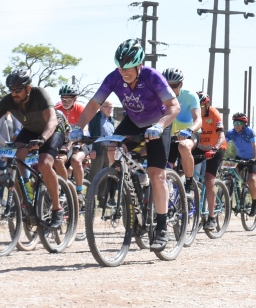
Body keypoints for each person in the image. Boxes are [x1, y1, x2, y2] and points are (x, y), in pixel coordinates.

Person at [69, 39, 180, 250]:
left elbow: (174, 107)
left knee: (157, 174)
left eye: (128, 68)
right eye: (120, 68)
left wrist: (159, 125)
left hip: (159, 122)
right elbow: (94, 104)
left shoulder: (152, 77)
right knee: (112, 146)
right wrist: (78, 126)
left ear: (139, 65)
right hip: (134, 121)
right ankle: (123, 180)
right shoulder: (114, 77)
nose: (124, 72)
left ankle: (162, 226)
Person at [0, 69, 64, 227]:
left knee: (44, 164)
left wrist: (42, 139)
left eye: (17, 90)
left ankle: (57, 209)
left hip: (52, 130)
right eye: (11, 90)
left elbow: (52, 120)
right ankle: (26, 193)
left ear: (28, 88)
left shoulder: (39, 94)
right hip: (30, 130)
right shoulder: (8, 100)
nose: (14, 94)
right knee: (15, 157)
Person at [160, 68, 202, 198]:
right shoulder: (159, 96)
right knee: (165, 166)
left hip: (189, 133)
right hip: (170, 135)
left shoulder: (190, 96)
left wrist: (189, 130)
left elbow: (198, 120)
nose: (170, 89)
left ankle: (189, 183)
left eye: (174, 86)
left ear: (181, 85)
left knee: (183, 146)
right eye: (167, 85)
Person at [190, 92, 227, 231]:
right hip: (199, 146)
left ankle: (211, 217)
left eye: (201, 106)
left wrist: (215, 148)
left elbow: (221, 135)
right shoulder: (193, 113)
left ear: (206, 105)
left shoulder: (214, 114)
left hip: (216, 147)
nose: (198, 108)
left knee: (209, 179)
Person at [55, 83, 88, 196]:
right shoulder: (57, 109)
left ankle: (79, 191)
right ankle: (63, 188)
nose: (65, 101)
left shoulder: (80, 109)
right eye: (63, 99)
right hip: (66, 142)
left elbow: (84, 128)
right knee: (58, 161)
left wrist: (79, 144)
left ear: (75, 99)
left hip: (82, 141)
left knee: (75, 160)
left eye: (68, 99)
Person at [226, 112, 256, 213]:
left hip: (253, 158)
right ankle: (237, 194)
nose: (236, 125)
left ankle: (255, 203)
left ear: (244, 124)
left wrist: (254, 158)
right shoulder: (231, 132)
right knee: (230, 174)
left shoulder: (249, 131)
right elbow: (223, 143)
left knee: (251, 180)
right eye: (235, 122)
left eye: (239, 123)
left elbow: (255, 145)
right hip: (240, 157)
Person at [86, 99, 117, 180]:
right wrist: (91, 149)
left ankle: (102, 193)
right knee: (95, 176)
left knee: (105, 176)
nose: (110, 109)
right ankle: (91, 193)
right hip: (97, 150)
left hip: (109, 150)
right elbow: (88, 133)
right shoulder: (94, 118)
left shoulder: (111, 120)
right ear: (100, 107)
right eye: (108, 107)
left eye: (111, 107)